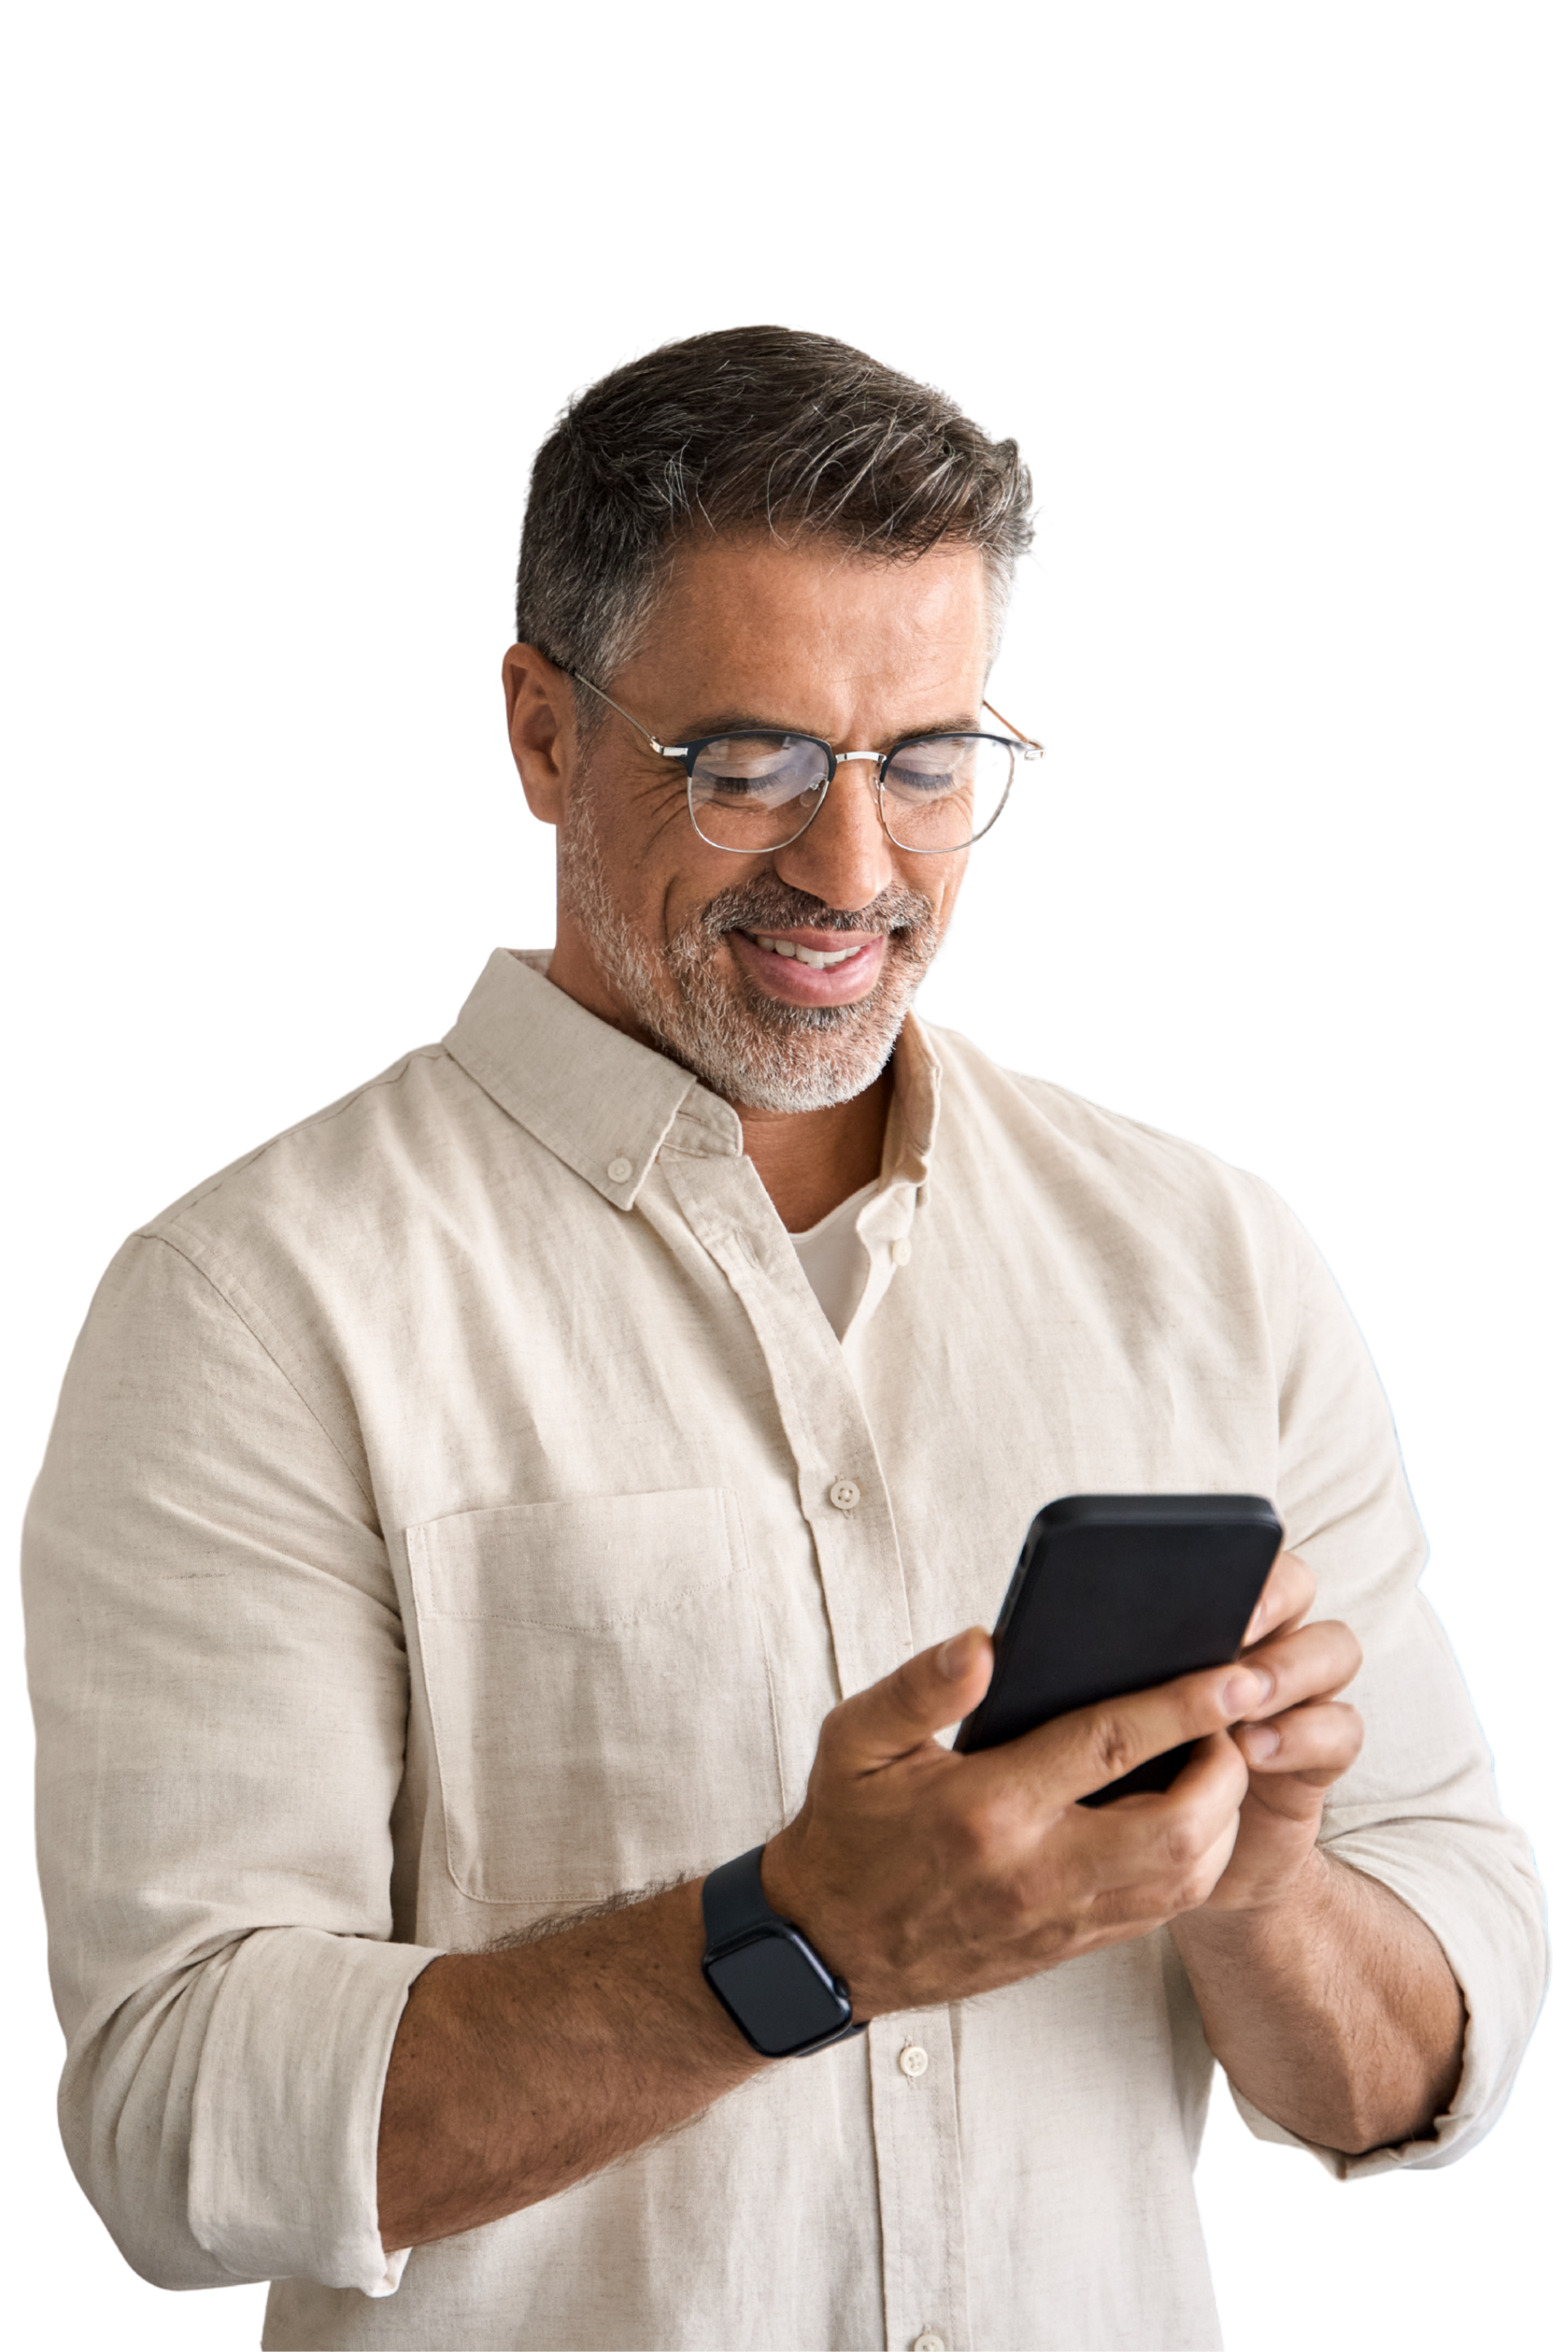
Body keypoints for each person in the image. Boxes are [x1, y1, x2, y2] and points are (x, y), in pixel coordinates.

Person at [20, 324, 1548, 2351]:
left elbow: (1424, 2060)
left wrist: (1253, 1889)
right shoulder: (248, 1301)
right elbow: (177, 2134)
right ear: (542, 735)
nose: (854, 872)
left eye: (931, 766)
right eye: (746, 767)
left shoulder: (1209, 1251)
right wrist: (796, 1939)